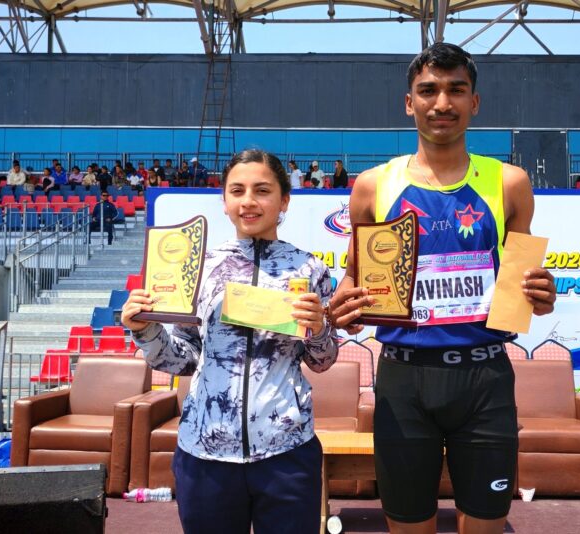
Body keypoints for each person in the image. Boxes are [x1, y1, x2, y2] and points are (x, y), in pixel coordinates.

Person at [327, 43, 556, 534]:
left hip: (485, 378)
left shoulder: (510, 183)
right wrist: (344, 303)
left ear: (475, 102)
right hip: (403, 380)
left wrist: (540, 293)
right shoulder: (372, 185)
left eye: (456, 90)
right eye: (428, 90)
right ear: (409, 102)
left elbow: (522, 285)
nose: (442, 103)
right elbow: (355, 275)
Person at [121, 149, 336, 534]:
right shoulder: (201, 268)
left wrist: (319, 329)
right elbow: (182, 360)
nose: (248, 201)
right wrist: (145, 330)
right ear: (224, 201)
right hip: (206, 454)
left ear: (284, 201)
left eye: (262, 190)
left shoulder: (310, 270)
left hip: (286, 453)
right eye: (237, 191)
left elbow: (322, 360)